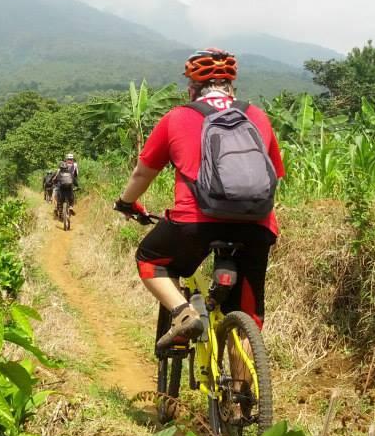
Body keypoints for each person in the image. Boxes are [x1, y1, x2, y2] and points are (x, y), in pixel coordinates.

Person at [113, 48, 285, 347]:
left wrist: (127, 203)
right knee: (247, 315)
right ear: (232, 87)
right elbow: (274, 175)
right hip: (257, 225)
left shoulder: (177, 117)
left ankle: (183, 314)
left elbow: (142, 174)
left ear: (192, 88)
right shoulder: (258, 116)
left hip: (195, 222)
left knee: (150, 260)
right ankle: (245, 384)